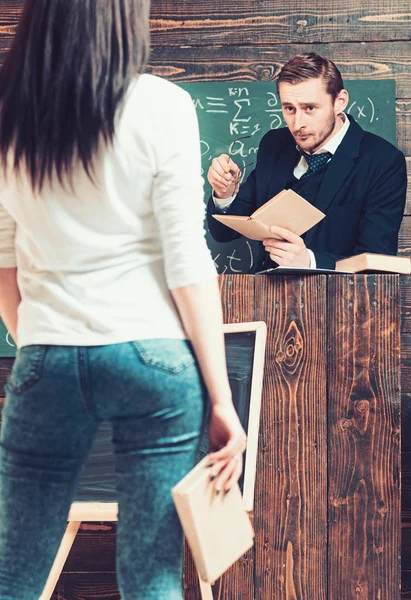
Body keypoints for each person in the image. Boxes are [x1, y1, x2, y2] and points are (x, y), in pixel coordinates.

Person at [0, 1, 246, 599]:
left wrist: (41, 343)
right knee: (151, 577)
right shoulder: (162, 104)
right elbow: (187, 262)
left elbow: (5, 263)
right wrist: (220, 399)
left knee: (14, 575)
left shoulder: (12, 112)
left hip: (48, 354)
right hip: (154, 360)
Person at [207, 53, 407, 271]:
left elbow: (377, 262)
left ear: (339, 102)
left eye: (310, 108)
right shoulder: (273, 145)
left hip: (340, 300)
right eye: (289, 108)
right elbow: (224, 233)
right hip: (264, 296)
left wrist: (310, 261)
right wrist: (224, 194)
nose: (297, 124)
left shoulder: (383, 161)